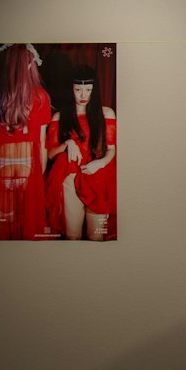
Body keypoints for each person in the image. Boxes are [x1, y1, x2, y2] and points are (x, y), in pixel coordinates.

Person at [0, 42, 53, 240]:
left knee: (3, 225)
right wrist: (40, 173)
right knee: (25, 224)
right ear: (29, 66)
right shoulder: (40, 98)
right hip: (28, 167)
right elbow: (42, 145)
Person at [45, 63, 117, 241]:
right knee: (72, 236)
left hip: (98, 176)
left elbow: (111, 150)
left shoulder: (106, 113)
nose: (83, 95)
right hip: (69, 177)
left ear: (95, 90)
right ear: (71, 89)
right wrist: (68, 143)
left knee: (96, 237)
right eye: (78, 90)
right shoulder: (59, 117)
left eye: (88, 90)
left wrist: (99, 163)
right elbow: (50, 153)